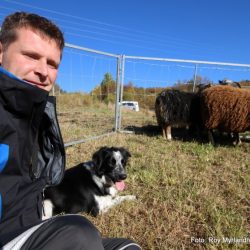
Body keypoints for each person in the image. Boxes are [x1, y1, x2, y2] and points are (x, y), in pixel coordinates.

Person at [0, 12, 141, 250]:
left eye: (52, 63)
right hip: (10, 235)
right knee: (80, 233)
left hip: (34, 226)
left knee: (127, 247)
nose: (44, 71)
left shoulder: (37, 116)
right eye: (31, 56)